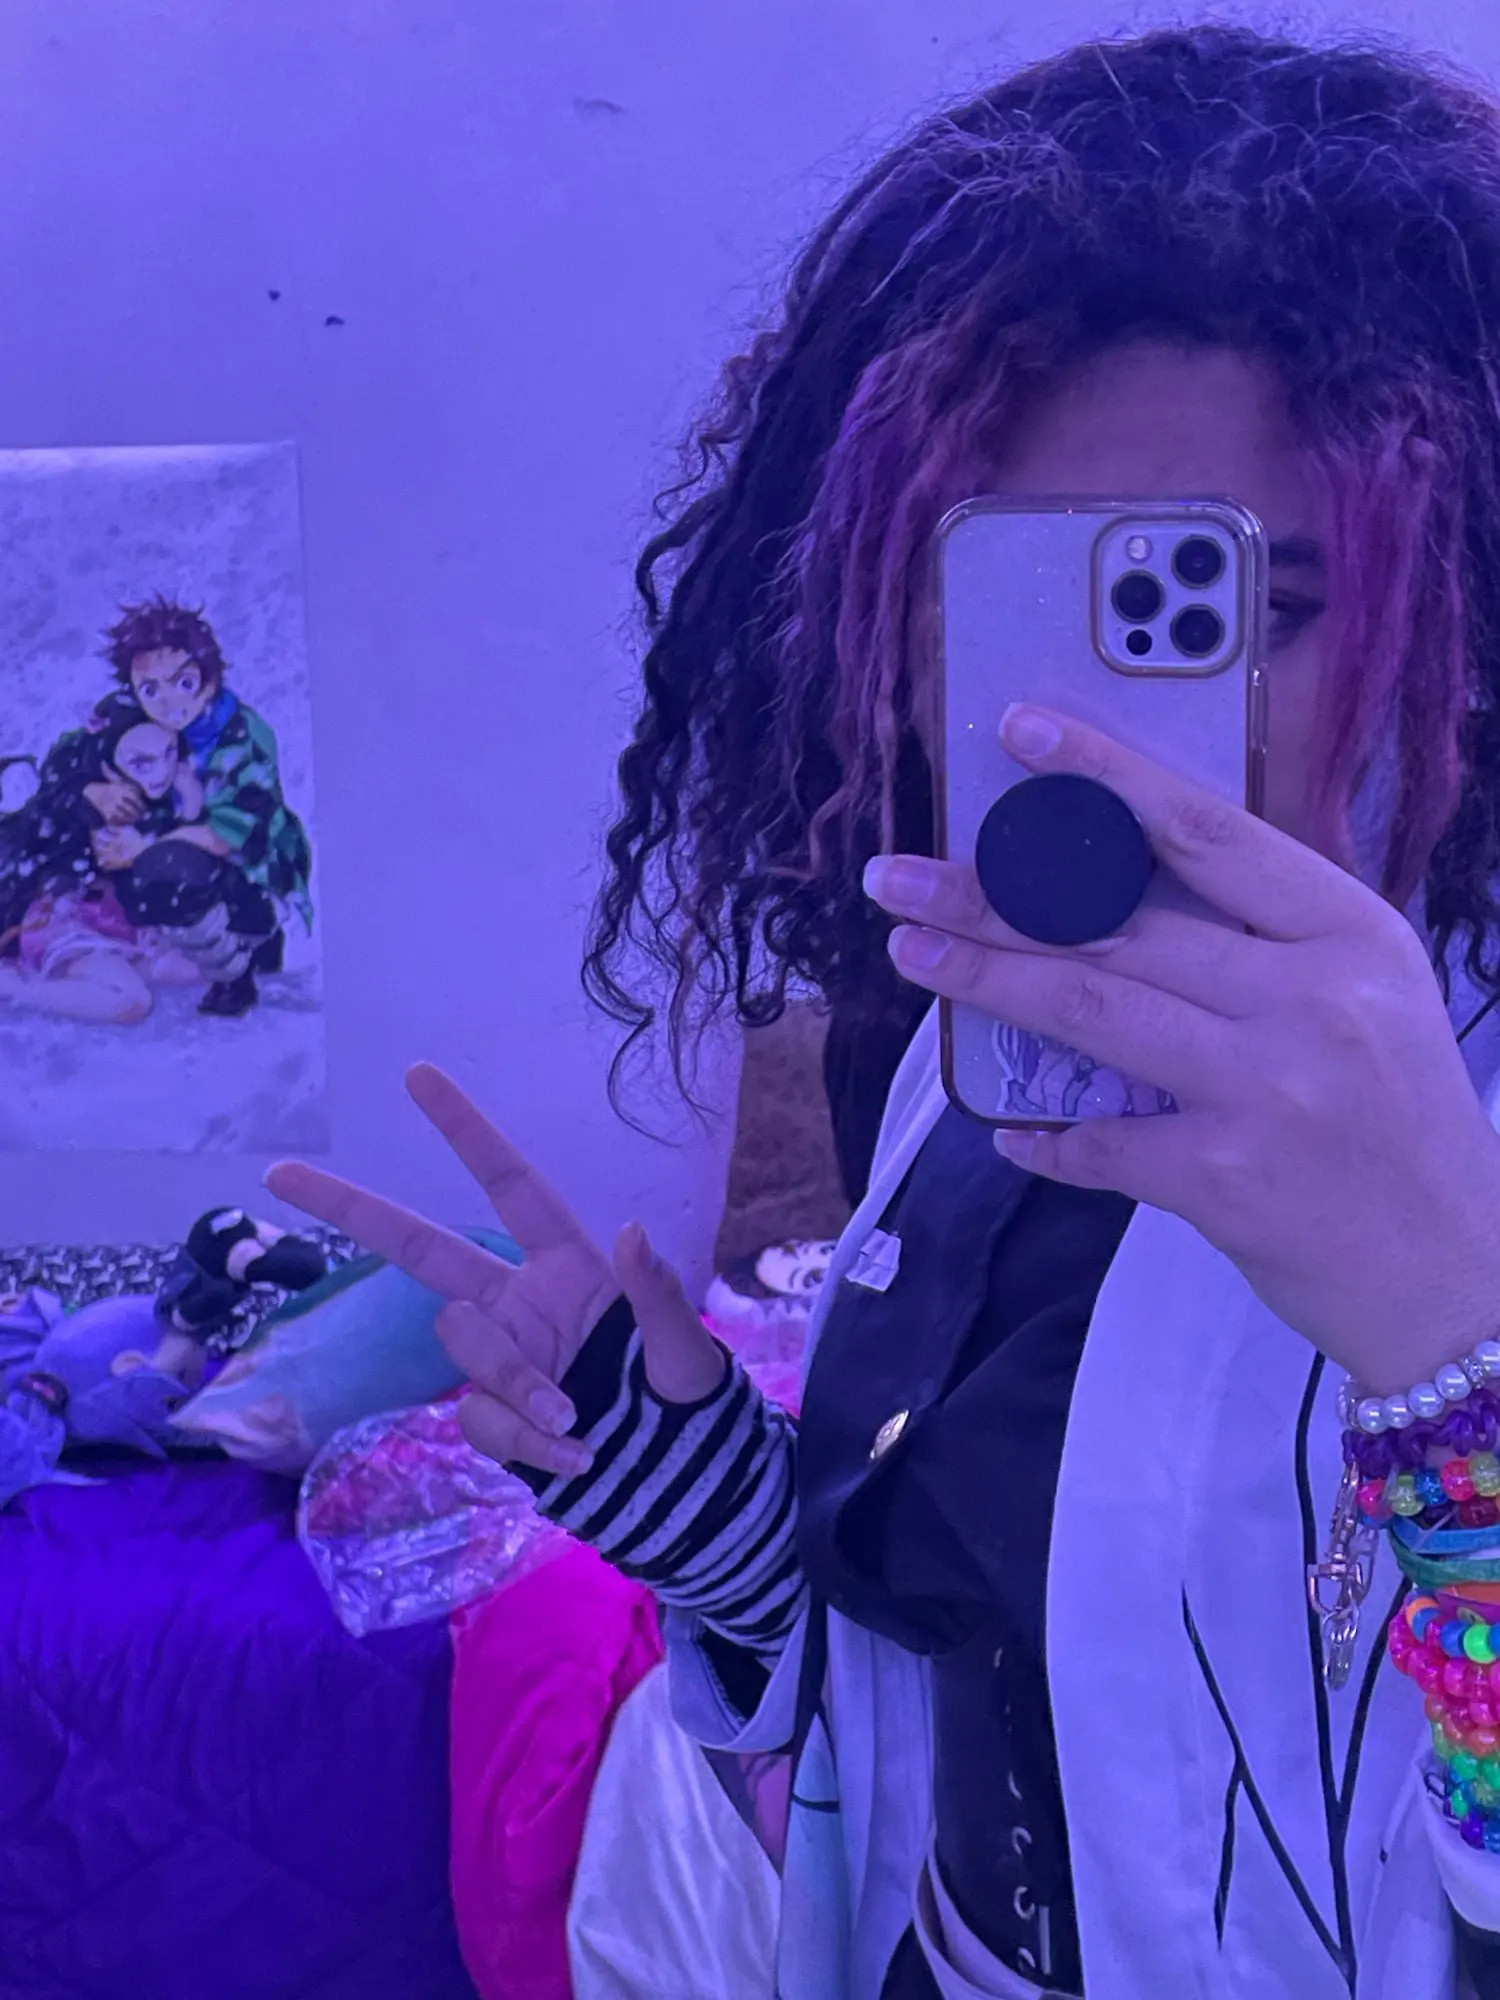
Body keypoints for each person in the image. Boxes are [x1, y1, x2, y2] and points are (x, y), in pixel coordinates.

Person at [268, 27, 1500, 1999]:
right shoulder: (955, 1057)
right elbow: (964, 1656)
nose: (1081, 724)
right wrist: (701, 1504)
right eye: (1006, 595)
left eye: (1241, 605)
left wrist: (1453, 1352)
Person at [37, 594, 312, 1016]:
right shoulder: (136, 714)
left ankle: (236, 968)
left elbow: (227, 835)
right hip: (168, 847)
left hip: (248, 870)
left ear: (210, 679)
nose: (168, 702)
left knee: (161, 869)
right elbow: (66, 758)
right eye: (150, 688)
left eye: (183, 683)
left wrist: (141, 848)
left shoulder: (241, 737)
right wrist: (94, 792)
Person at [0, 710, 203, 1024]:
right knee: (131, 1000)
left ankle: (117, 966)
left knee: (197, 967)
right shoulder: (78, 799)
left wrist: (190, 808)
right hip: (64, 919)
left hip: (119, 917)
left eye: (168, 754)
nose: (161, 772)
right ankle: (16, 986)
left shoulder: (159, 801)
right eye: (142, 762)